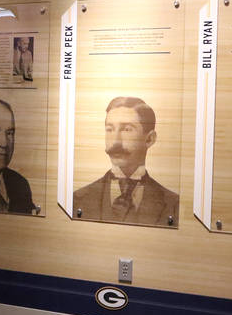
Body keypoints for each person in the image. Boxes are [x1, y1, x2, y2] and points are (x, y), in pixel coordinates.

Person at [73, 96, 179, 225]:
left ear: (149, 139)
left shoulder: (173, 204)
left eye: (127, 129)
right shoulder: (77, 199)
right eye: (110, 129)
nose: (115, 141)